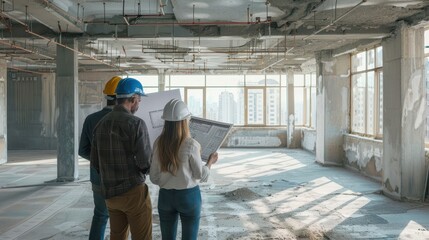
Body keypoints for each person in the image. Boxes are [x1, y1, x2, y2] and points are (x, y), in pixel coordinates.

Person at [90, 77, 152, 240]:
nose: (139, 104)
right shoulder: (136, 124)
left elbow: (95, 163)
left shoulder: (100, 124)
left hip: (110, 194)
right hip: (133, 192)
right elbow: (145, 164)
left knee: (117, 236)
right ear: (133, 99)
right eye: (139, 100)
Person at [150, 98, 219, 240]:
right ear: (185, 121)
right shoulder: (191, 144)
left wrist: (168, 181)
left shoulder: (158, 143)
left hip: (165, 197)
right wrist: (210, 162)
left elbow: (154, 177)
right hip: (189, 197)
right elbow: (200, 174)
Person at [78, 75, 121, 240]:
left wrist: (99, 160)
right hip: (121, 179)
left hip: (98, 178)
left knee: (101, 216)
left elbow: (82, 150)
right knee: (123, 217)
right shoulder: (129, 120)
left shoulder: (90, 119)